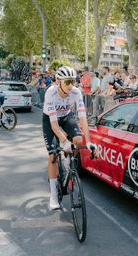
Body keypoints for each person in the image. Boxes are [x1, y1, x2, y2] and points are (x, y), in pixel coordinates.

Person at [42, 66, 95, 209]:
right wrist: (64, 141)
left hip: (66, 117)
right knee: (52, 154)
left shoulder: (76, 92)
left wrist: (89, 141)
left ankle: (68, 162)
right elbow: (54, 125)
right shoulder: (50, 93)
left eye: (73, 81)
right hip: (50, 121)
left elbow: (83, 119)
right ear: (58, 82)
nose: (71, 85)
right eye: (67, 82)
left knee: (78, 140)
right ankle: (53, 196)